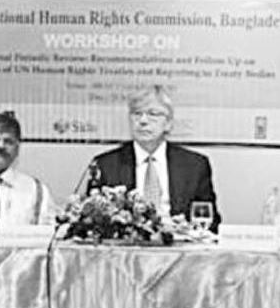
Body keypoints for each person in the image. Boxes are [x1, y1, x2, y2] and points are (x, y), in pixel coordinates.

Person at [89, 86, 222, 232]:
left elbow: (209, 219)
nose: (143, 121)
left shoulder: (195, 165)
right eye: (137, 113)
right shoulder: (106, 165)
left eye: (153, 114)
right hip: (129, 244)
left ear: (168, 124)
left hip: (178, 243)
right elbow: (92, 221)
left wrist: (187, 228)